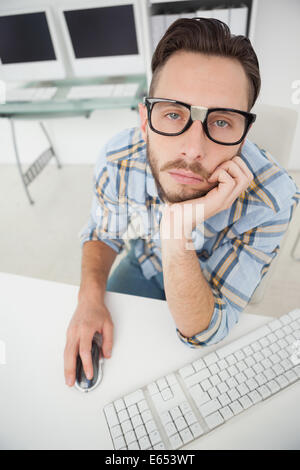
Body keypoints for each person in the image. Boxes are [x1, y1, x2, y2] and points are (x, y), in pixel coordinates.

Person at [64, 18, 299, 387]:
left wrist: (176, 230)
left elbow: (204, 331)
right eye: (174, 113)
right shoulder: (118, 157)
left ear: (245, 134)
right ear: (145, 120)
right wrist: (89, 298)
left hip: (209, 290)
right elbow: (104, 231)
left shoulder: (272, 199)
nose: (193, 149)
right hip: (142, 266)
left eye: (222, 121)